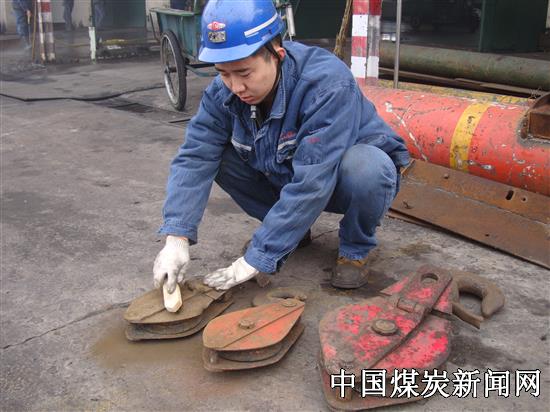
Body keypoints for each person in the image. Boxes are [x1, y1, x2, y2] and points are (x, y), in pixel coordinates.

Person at [153, 0, 410, 293]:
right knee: (216, 156)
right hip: (285, 170)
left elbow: (314, 180)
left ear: (278, 54)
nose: (236, 87)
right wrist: (176, 238)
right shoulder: (222, 93)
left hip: (341, 179)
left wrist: (257, 257)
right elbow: (195, 156)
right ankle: (292, 233)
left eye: (245, 73)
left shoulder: (327, 85)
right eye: (224, 73)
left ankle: (355, 248)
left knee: (368, 168)